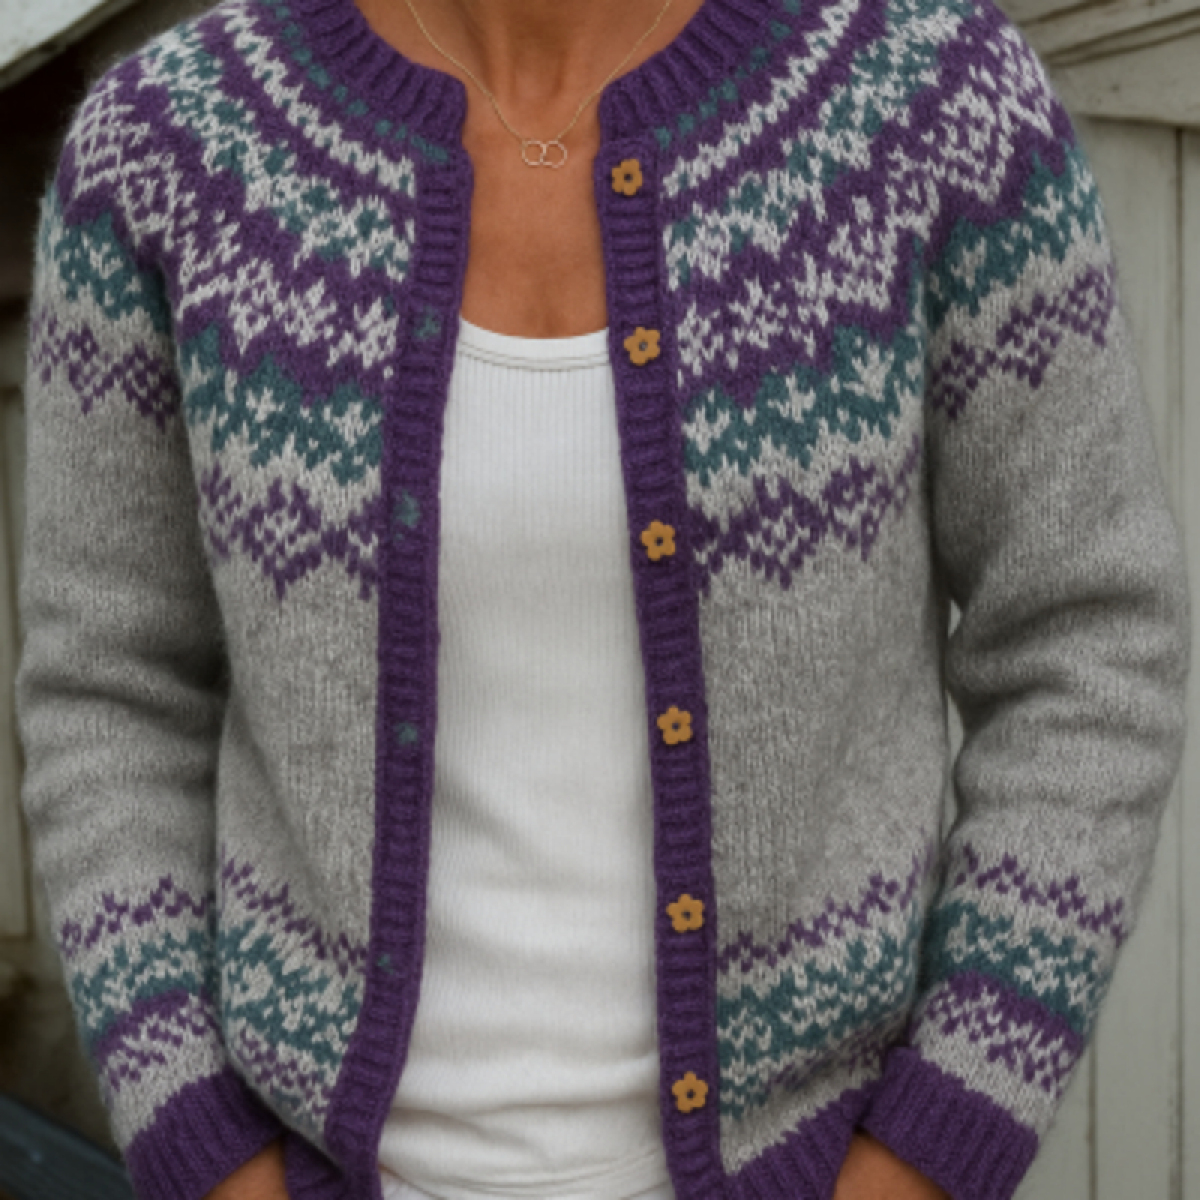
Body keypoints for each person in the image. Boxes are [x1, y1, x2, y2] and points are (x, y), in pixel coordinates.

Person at [14, 0, 1190, 1196]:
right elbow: (108, 690)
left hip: (800, 1164)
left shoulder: (932, 100)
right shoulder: (169, 145)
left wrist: (933, 1144)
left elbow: (1089, 640)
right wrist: (203, 1148)